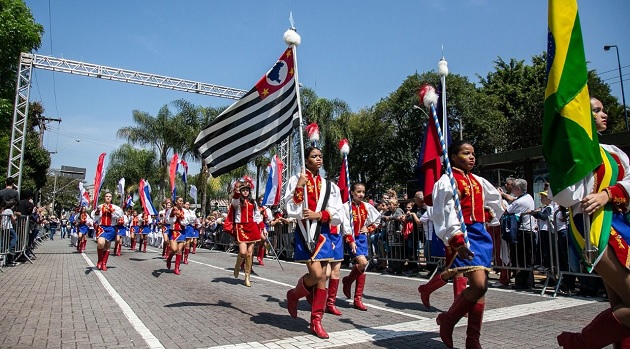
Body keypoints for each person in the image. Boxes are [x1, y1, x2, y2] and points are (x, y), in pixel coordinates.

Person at [554, 97, 630, 348]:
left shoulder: (614, 152)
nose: (604, 114)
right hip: (594, 228)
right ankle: (580, 343)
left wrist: (608, 194)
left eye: (602, 110)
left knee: (621, 304)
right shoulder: (574, 151)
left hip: (622, 224)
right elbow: (565, 196)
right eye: (596, 111)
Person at [432, 140, 504, 349]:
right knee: (480, 285)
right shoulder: (447, 182)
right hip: (462, 234)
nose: (472, 157)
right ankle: (448, 320)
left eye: (473, 153)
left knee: (480, 288)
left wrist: (489, 213)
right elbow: (445, 211)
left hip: (480, 234)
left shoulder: (478, 180)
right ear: (453, 157)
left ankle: (473, 339)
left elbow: (494, 201)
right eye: (466, 153)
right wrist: (456, 238)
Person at [284, 146, 343, 339]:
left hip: (323, 232)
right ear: (306, 160)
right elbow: (291, 208)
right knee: (317, 274)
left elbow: (338, 212)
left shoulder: (329, 185)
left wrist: (321, 214)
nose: (318, 159)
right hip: (305, 232)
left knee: (323, 276)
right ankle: (294, 294)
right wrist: (300, 186)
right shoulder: (296, 179)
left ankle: (316, 321)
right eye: (313, 156)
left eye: (320, 156)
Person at [341, 182, 381, 311]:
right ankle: (347, 281)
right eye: (358, 191)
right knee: (362, 263)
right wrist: (350, 239)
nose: (361, 194)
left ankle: (357, 298)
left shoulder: (367, 206)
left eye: (363, 192)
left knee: (363, 267)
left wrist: (369, 228)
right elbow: (345, 225)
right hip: (351, 238)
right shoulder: (346, 207)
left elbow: (377, 219)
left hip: (362, 238)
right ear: (352, 193)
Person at [229, 177, 265, 286]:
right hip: (241, 228)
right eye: (243, 190)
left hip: (252, 228)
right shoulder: (237, 201)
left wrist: (263, 228)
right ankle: (237, 265)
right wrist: (236, 189)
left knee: (250, 254)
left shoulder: (253, 203)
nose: (245, 192)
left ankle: (247, 277)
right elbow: (234, 198)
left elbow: (258, 216)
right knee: (243, 252)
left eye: (247, 190)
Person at [506, 178, 536, 289]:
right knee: (525, 258)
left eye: (513, 187)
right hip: (528, 231)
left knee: (523, 258)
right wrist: (503, 194)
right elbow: (513, 199)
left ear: (518, 189)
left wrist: (499, 201)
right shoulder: (528, 197)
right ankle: (525, 282)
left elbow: (507, 210)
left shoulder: (520, 201)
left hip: (524, 231)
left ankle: (525, 283)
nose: (511, 189)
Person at [92, 192, 124, 271]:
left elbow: (119, 216)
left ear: (112, 198)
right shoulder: (100, 206)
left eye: (110, 196)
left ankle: (104, 263)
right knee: (100, 243)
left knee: (107, 245)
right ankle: (99, 260)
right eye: (106, 196)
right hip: (101, 227)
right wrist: (97, 212)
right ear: (104, 197)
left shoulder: (115, 207)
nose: (108, 198)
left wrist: (110, 210)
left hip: (111, 227)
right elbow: (94, 217)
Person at [166, 197, 186, 275]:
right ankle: (169, 258)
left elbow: (186, 222)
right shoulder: (171, 210)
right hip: (173, 231)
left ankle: (176, 267)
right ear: (176, 202)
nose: (181, 202)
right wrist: (173, 214)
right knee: (174, 249)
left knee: (179, 250)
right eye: (180, 201)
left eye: (182, 201)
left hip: (182, 232)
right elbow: (168, 220)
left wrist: (181, 216)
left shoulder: (185, 211)